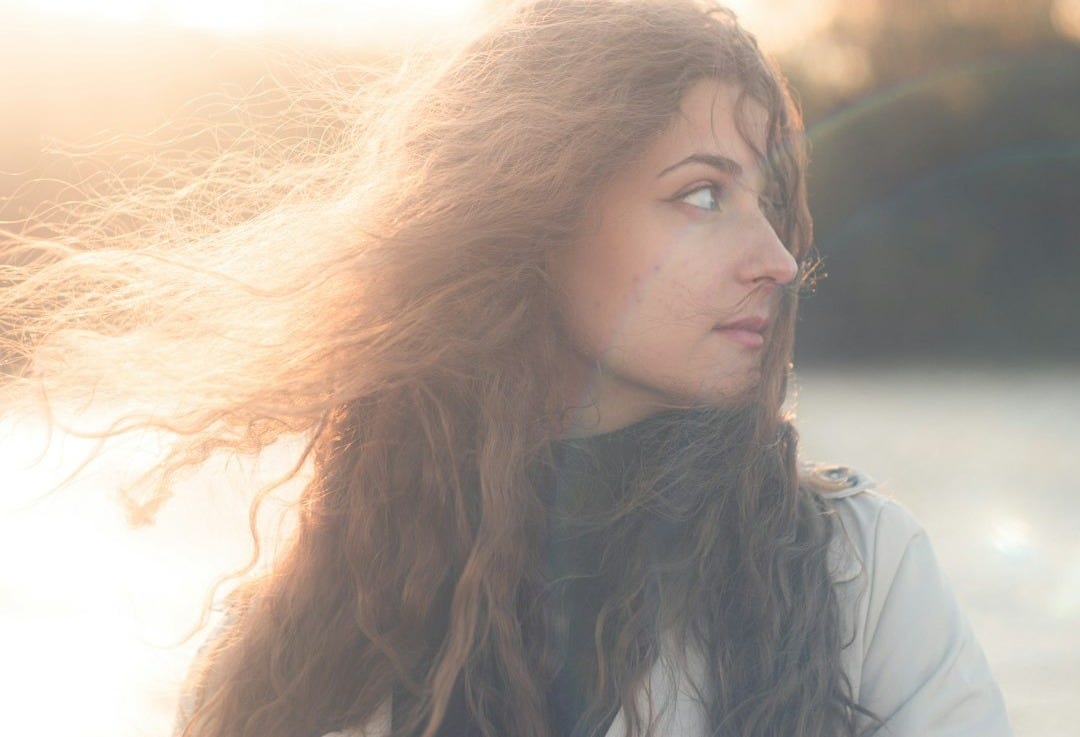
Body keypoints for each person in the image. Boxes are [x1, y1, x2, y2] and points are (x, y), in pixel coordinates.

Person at [0, 1, 1012, 736]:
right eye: (703, 197)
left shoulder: (858, 572)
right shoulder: (310, 639)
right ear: (536, 220)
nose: (779, 259)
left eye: (771, 204)